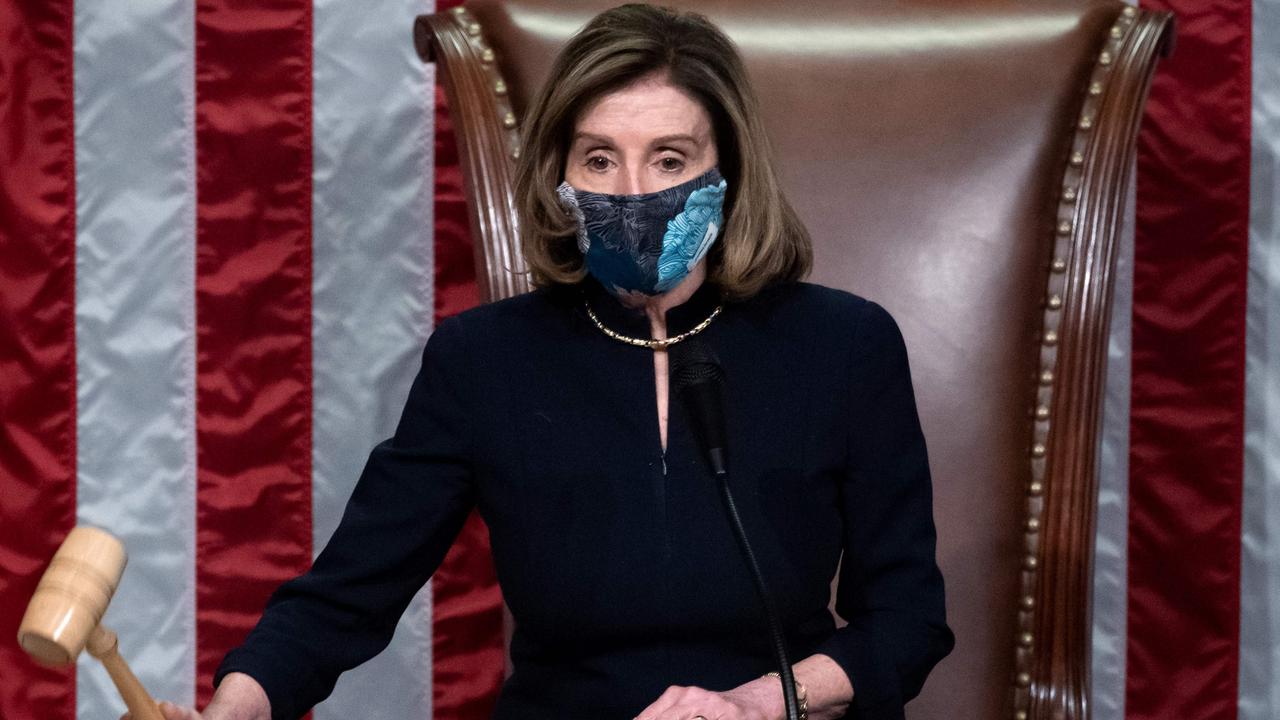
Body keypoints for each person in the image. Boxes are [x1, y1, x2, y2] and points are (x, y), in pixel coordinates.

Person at [141, 4, 954, 719]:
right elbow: (351, 590)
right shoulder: (484, 361)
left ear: (728, 174)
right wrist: (241, 702)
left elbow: (908, 621)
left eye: (670, 159)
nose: (634, 191)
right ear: (559, 176)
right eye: (600, 159)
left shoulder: (845, 345)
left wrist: (756, 703)